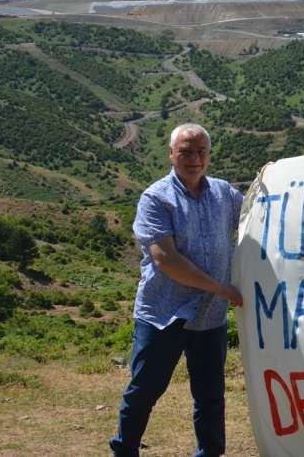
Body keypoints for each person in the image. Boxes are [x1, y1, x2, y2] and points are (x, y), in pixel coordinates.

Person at [110, 123, 244, 457]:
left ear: (209, 155)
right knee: (144, 390)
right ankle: (124, 451)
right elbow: (165, 260)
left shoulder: (225, 194)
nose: (194, 158)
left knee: (210, 395)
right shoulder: (156, 198)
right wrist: (219, 287)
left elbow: (263, 211)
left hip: (209, 315)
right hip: (164, 313)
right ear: (171, 154)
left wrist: (273, 174)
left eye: (201, 151)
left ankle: (210, 453)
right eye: (185, 151)